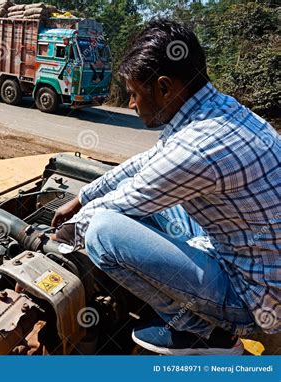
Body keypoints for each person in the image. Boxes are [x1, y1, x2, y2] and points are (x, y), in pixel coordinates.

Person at [51, 19, 280, 355]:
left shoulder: (198, 148)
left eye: (133, 94)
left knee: (101, 232)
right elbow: (148, 163)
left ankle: (200, 333)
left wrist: (65, 235)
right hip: (255, 257)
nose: (131, 105)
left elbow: (121, 206)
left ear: (164, 87)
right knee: (143, 203)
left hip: (255, 299)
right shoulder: (219, 111)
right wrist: (83, 196)